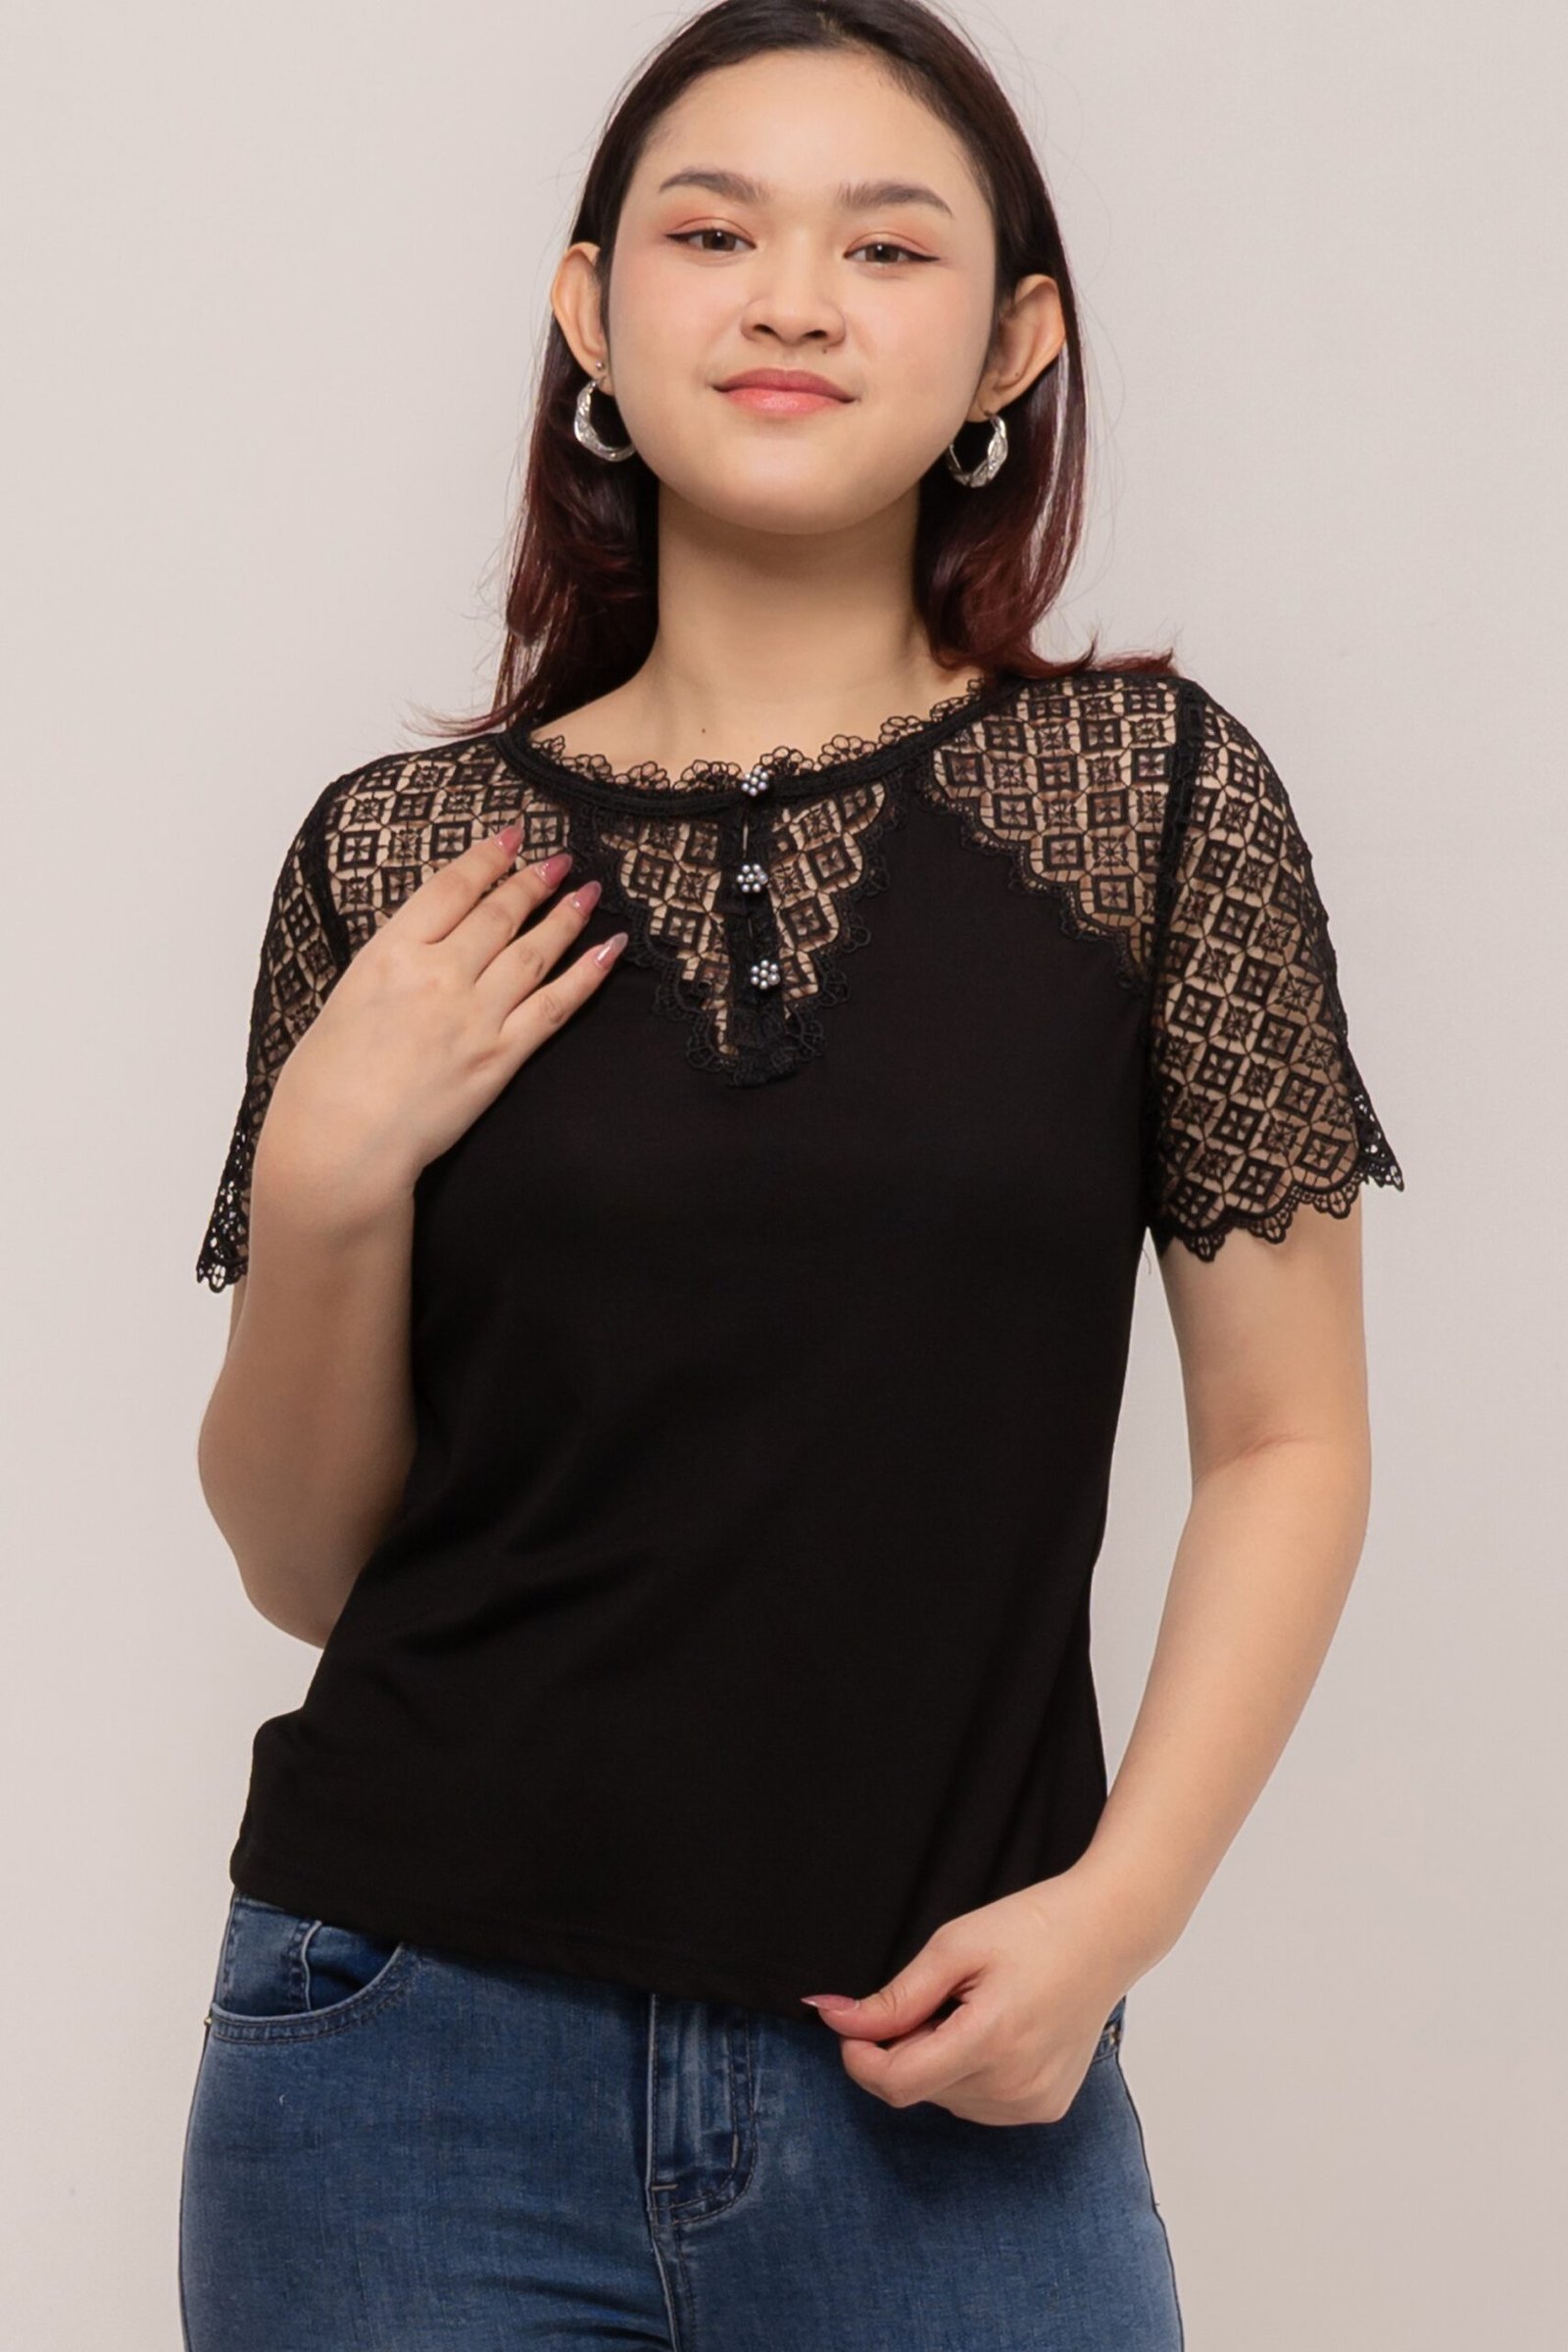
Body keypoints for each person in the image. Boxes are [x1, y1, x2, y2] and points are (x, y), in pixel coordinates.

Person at [176, 4, 1405, 2346]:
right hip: (397, 2054)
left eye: (886, 246)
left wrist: (1117, 1912)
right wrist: (324, 1174)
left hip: (945, 2072)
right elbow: (311, 1563)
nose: (794, 300)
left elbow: (1285, 1438)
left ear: (1008, 346)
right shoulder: (399, 857)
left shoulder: (1146, 805)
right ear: (590, 311)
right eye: (713, 232)